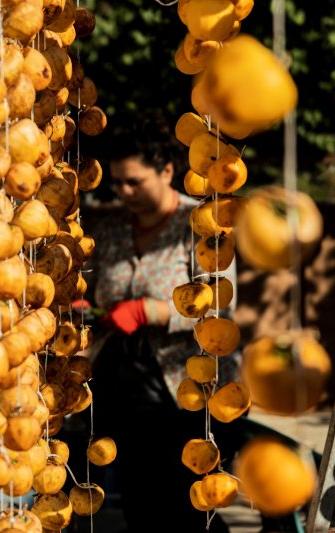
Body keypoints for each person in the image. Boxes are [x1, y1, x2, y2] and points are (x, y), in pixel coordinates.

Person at [82, 111, 240, 532]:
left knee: (188, 505)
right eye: (118, 182)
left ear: (166, 170)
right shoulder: (111, 229)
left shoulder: (204, 226)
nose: (125, 191)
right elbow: (98, 298)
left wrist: (149, 311)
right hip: (126, 389)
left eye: (135, 181)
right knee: (141, 503)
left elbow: (220, 312)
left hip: (186, 389)